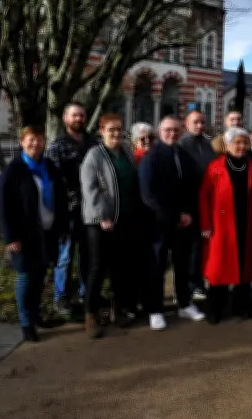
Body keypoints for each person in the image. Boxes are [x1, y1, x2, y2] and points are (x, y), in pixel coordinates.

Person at [0, 126, 68, 342]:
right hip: (24, 235)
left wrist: (62, 226)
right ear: (22, 142)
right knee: (26, 277)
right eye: (30, 140)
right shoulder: (14, 171)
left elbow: (61, 198)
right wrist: (11, 238)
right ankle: (26, 322)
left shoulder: (49, 167)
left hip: (46, 233)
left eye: (39, 140)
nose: (35, 144)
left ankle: (37, 316)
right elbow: (4, 207)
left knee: (39, 277)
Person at [140, 115, 206, 330]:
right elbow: (149, 195)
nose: (172, 133)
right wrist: (174, 216)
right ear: (160, 132)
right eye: (168, 130)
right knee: (157, 267)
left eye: (176, 130)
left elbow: (193, 188)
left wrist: (189, 215)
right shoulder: (152, 157)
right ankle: (155, 310)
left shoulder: (185, 157)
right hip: (159, 223)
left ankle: (185, 303)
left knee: (183, 266)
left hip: (184, 223)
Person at [80, 115, 141, 338]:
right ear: (102, 131)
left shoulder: (126, 151)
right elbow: (90, 189)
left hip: (124, 219)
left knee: (120, 268)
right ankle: (90, 314)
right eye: (111, 130)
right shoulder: (94, 155)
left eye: (119, 130)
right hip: (101, 223)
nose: (116, 134)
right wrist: (101, 216)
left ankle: (118, 310)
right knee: (97, 268)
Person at [199, 127, 252, 323]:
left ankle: (241, 305)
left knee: (244, 267)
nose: (242, 146)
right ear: (227, 145)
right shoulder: (215, 167)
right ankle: (215, 308)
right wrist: (206, 225)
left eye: (244, 142)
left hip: (247, 224)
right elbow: (203, 197)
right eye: (237, 142)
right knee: (219, 270)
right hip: (222, 227)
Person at [45, 102, 96, 319]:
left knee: (87, 254)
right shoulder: (58, 146)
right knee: (65, 256)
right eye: (74, 115)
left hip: (90, 209)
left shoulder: (92, 143)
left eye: (82, 115)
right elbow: (53, 180)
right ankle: (61, 297)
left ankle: (87, 294)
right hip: (67, 211)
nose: (78, 119)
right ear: (65, 118)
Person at [180, 110, 216, 302]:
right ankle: (192, 284)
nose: (200, 126)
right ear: (187, 124)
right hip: (189, 204)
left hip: (208, 203)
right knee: (191, 248)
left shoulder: (208, 144)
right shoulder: (182, 145)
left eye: (202, 122)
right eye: (195, 122)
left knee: (203, 247)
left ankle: (201, 281)